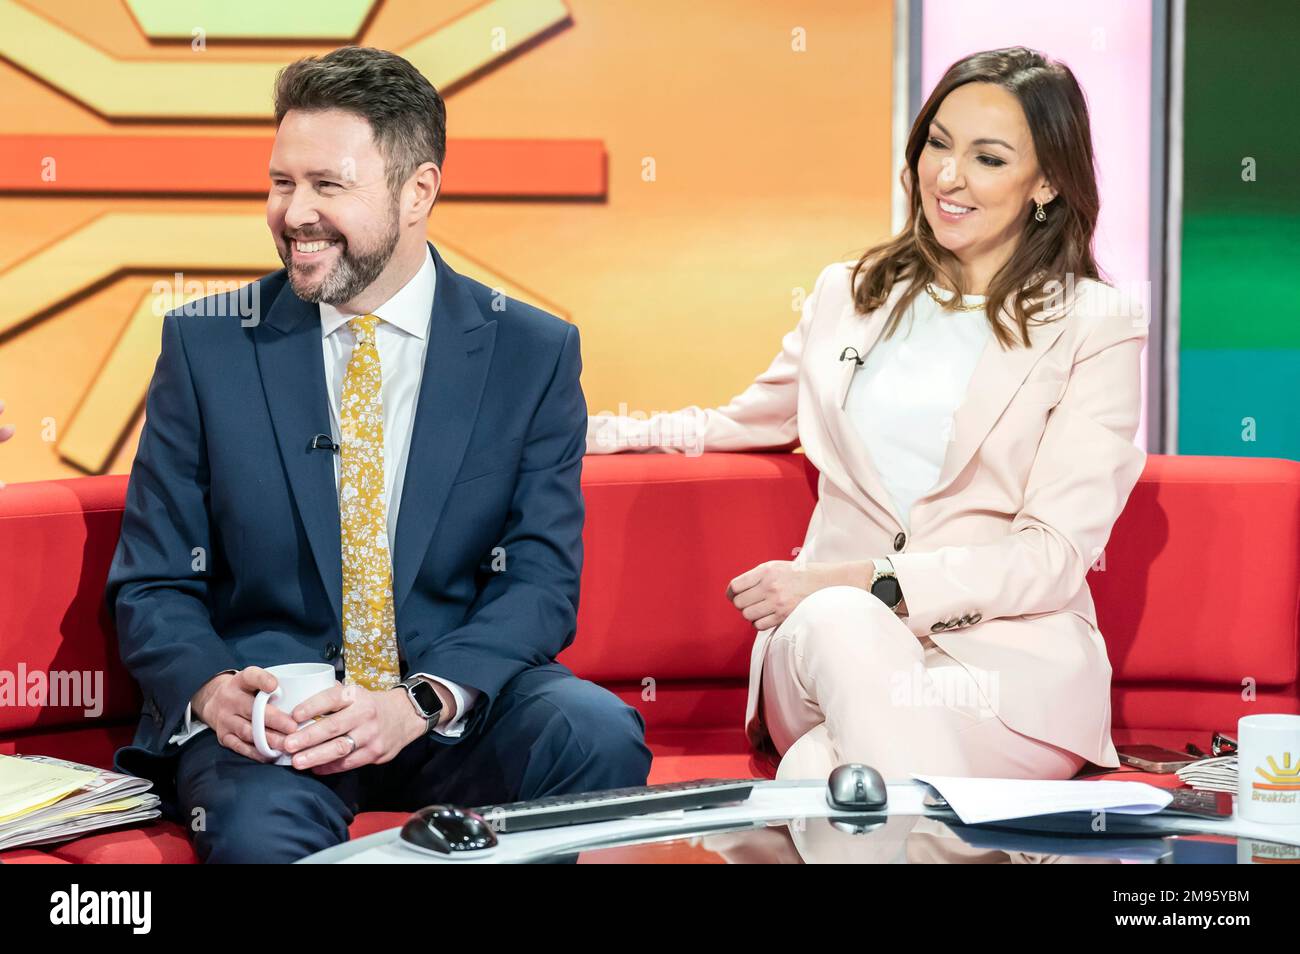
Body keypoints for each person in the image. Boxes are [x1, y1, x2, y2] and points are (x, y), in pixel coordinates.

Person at [105, 46, 651, 863]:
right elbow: (152, 583)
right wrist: (216, 692)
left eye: (328, 186)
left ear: (417, 191)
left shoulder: (530, 353)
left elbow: (539, 583)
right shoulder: (208, 346)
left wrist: (418, 702)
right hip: (278, 722)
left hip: (449, 709)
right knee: (253, 835)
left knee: (598, 733)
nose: (294, 214)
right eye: (282, 182)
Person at [587, 47, 1147, 785]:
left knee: (819, 775)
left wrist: (867, 578)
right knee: (839, 622)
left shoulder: (1094, 324)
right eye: (938, 145)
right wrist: (589, 431)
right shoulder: (849, 294)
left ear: (1046, 180)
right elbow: (741, 421)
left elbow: (1049, 558)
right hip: (823, 651)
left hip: (1006, 672)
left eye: (987, 157)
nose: (948, 177)